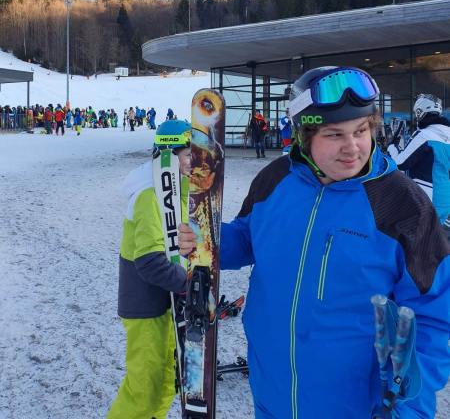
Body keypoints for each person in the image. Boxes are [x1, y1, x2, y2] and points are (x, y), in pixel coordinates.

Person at [179, 66, 450, 419]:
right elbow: (249, 236)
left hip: (357, 407)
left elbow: (433, 318)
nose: (352, 147)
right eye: (334, 134)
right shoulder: (275, 180)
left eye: (361, 130)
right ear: (305, 136)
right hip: (273, 393)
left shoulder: (403, 205)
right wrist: (209, 240)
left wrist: (408, 406)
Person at [107, 120, 191, 419]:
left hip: (164, 304)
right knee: (143, 390)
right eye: (188, 155)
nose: (193, 163)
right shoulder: (150, 195)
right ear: (169, 155)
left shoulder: (173, 191)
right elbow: (150, 261)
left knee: (165, 382)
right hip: (145, 307)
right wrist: (188, 284)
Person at [388, 93, 450, 233]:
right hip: (446, 196)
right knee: (438, 239)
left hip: (427, 197)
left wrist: (392, 145)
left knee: (419, 240)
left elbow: (400, 163)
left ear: (420, 112)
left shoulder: (423, 135)